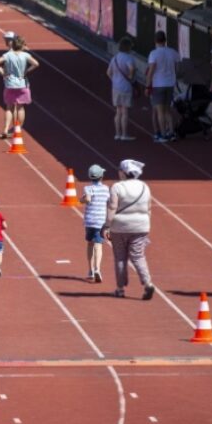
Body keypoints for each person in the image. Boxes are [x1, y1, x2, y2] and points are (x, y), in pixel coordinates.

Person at [104, 159, 155, 300]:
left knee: (120, 257)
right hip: (141, 226)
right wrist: (146, 225)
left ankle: (120, 289)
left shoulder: (116, 187)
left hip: (119, 227)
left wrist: (107, 225)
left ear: (124, 172)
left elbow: (112, 207)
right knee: (138, 256)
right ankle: (148, 283)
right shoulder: (145, 187)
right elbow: (148, 208)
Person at [0, 35, 38, 137]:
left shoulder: (7, 55)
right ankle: (17, 129)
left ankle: (5, 129)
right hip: (22, 84)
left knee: (9, 107)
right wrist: (26, 71)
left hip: (9, 84)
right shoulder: (26, 55)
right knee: (20, 108)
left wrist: (3, 73)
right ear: (22, 45)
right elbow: (36, 63)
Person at [145, 30, 181, 143]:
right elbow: (177, 67)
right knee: (167, 110)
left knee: (160, 111)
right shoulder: (173, 52)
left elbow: (151, 71)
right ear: (165, 40)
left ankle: (163, 135)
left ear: (155, 41)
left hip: (158, 85)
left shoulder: (154, 54)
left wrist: (147, 86)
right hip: (170, 84)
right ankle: (171, 133)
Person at [80, 164, 108, 283]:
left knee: (90, 244)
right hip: (100, 220)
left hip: (89, 220)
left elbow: (87, 199)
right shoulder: (106, 188)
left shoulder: (88, 188)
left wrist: (82, 199)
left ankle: (90, 270)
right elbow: (109, 201)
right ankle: (97, 269)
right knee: (99, 245)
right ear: (101, 176)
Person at [106, 37, 137, 141]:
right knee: (125, 111)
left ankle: (117, 134)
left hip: (115, 87)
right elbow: (132, 68)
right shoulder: (129, 58)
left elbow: (108, 72)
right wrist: (131, 77)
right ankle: (124, 134)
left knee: (118, 111)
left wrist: (114, 80)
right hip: (125, 87)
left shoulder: (114, 58)